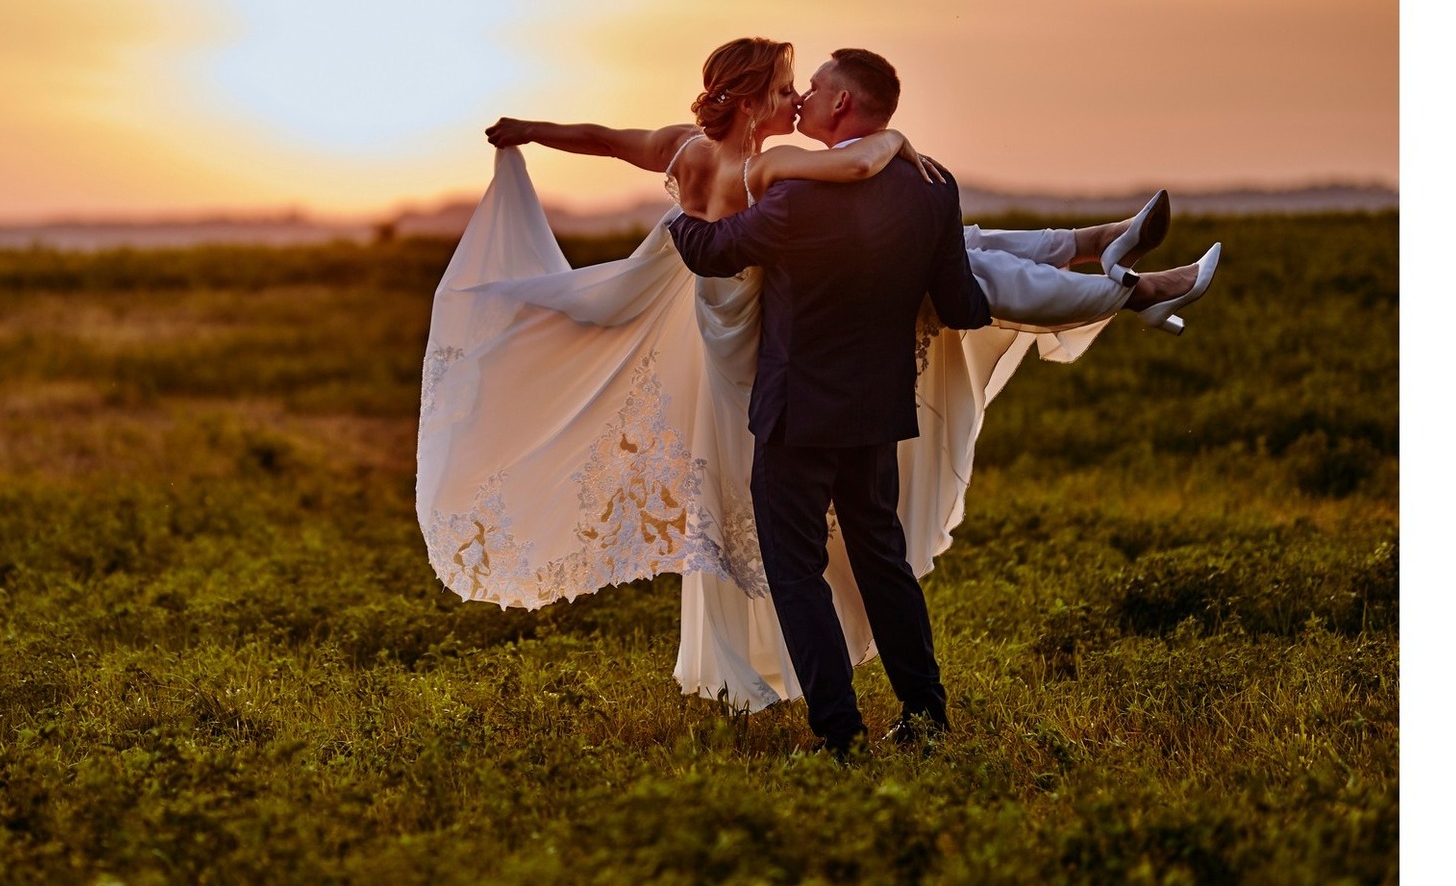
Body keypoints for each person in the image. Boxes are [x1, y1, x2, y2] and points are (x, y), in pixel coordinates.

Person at [416, 38, 1219, 723]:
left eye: (806, 88)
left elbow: (617, 149)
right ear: (751, 100)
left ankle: (840, 729)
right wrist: (895, 149)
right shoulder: (804, 175)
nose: (797, 96)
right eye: (785, 88)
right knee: (952, 266)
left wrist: (535, 133)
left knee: (805, 558)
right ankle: (1113, 270)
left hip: (787, 381)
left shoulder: (724, 163)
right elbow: (857, 180)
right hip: (798, 369)